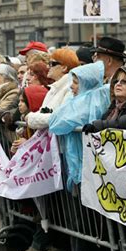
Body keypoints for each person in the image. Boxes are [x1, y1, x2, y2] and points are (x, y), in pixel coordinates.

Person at [49, 62, 110, 191]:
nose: (71, 86)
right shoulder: (79, 99)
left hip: (91, 162)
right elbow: (54, 121)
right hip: (80, 160)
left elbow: (58, 123)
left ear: (87, 82)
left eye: (76, 82)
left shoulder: (94, 99)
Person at [25, 48, 80, 130]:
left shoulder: (70, 88)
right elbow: (43, 111)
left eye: (52, 64)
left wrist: (30, 117)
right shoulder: (54, 88)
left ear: (64, 67)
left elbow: (60, 117)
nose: (48, 66)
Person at [82, 67, 126, 132]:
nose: (118, 84)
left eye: (124, 82)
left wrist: (96, 126)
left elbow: (120, 123)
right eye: (116, 81)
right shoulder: (112, 109)